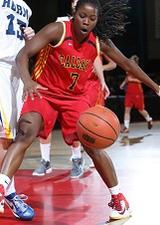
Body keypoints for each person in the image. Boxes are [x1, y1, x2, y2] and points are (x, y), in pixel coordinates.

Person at [0, 0, 160, 221]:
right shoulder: (58, 29)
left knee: (93, 145)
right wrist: (27, 81)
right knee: (26, 131)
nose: (86, 22)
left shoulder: (99, 41)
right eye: (82, 16)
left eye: (92, 18)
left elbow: (127, 64)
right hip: (44, 92)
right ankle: (2, 188)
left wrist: (156, 87)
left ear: (97, 20)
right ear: (74, 14)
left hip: (74, 99)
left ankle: (119, 199)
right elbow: (23, 55)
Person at [32, 0, 116, 178]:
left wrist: (102, 79)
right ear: (73, 6)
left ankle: (78, 158)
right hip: (55, 82)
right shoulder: (61, 24)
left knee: (78, 125)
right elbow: (44, 47)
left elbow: (96, 58)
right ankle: (45, 160)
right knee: (43, 123)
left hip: (79, 85)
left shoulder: (93, 31)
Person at [32, 54, 116, 177]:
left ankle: (84, 157)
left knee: (85, 124)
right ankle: (46, 160)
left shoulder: (96, 42)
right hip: (65, 85)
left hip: (89, 87)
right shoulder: (62, 42)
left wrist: (101, 70)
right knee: (45, 122)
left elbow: (113, 63)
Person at [0, 0, 35, 220]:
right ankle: (9, 193)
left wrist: (28, 38)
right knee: (5, 136)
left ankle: (6, 189)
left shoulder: (26, 7)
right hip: (1, 67)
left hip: (17, 70)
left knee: (15, 136)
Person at [120, 55, 153, 133]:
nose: (130, 62)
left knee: (141, 110)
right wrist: (123, 84)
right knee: (127, 110)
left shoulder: (138, 70)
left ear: (136, 62)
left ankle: (149, 119)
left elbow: (142, 80)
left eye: (131, 61)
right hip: (129, 92)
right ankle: (126, 127)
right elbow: (127, 78)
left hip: (137, 92)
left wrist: (132, 80)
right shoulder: (128, 69)